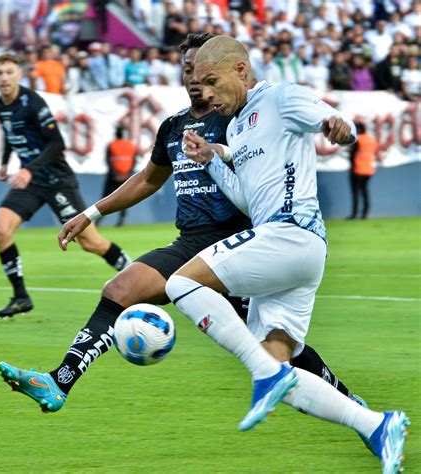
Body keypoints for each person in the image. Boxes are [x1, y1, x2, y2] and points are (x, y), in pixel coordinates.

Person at [0, 34, 364, 425]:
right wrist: (91, 212)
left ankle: (351, 405)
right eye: (188, 69)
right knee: (119, 289)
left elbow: (266, 166)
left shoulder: (238, 115)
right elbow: (148, 180)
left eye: (201, 71)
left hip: (239, 242)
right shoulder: (174, 126)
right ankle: (59, 381)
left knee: (280, 347)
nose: (194, 79)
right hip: (190, 241)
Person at [164, 35, 408, 472]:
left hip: (292, 233)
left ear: (240, 70)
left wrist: (341, 128)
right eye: (199, 84)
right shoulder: (237, 128)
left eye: (212, 81)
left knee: (180, 282)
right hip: (285, 252)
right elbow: (245, 198)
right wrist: (214, 160)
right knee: (285, 372)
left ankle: (264, 373)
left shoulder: (280, 97)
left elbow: (333, 121)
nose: (205, 93)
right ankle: (378, 425)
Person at [0, 52, 131, 318]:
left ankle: (137, 275)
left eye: (10, 72)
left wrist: (29, 169)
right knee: (0, 229)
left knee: (91, 243)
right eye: (0, 73)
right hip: (30, 181)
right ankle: (21, 297)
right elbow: (11, 135)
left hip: (56, 181)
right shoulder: (0, 106)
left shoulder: (33, 103)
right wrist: (4, 163)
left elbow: (57, 144)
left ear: (20, 74)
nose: (5, 78)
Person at [101, 126, 138, 227]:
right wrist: (128, 174)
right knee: (123, 199)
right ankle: (120, 220)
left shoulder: (112, 145)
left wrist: (114, 174)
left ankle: (99, 221)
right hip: (125, 176)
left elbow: (108, 160)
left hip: (113, 176)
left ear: (116, 134)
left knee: (106, 198)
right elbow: (134, 161)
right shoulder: (130, 145)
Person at [348, 122, 380, 220]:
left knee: (355, 193)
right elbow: (375, 153)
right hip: (369, 170)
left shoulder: (357, 140)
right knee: (365, 191)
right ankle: (365, 214)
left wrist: (352, 167)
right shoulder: (371, 140)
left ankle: (354, 214)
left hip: (357, 169)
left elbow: (352, 155)